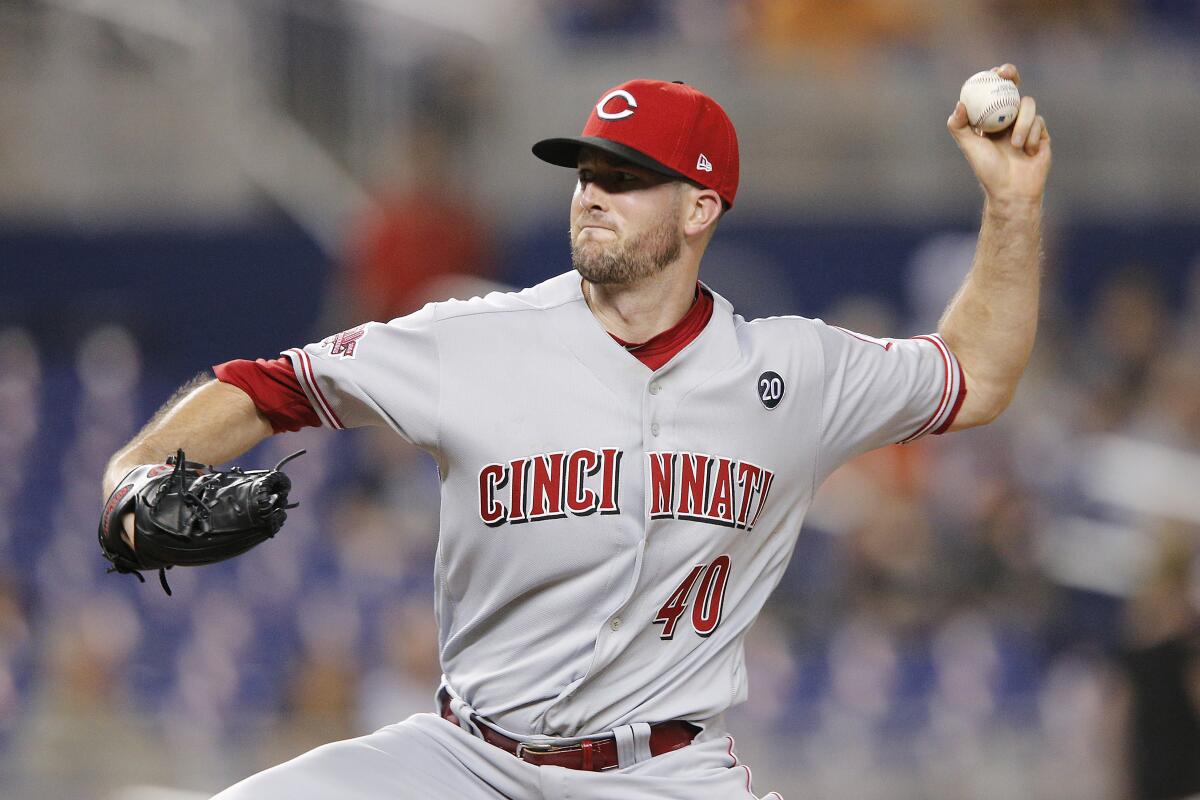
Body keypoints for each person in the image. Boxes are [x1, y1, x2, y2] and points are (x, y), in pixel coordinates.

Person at [102, 71, 1050, 798]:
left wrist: (1011, 205)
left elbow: (976, 372)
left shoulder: (791, 373)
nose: (592, 193)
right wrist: (134, 475)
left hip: (664, 772)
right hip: (466, 759)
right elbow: (265, 387)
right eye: (587, 172)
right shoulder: (472, 338)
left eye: (628, 179)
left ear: (699, 208)